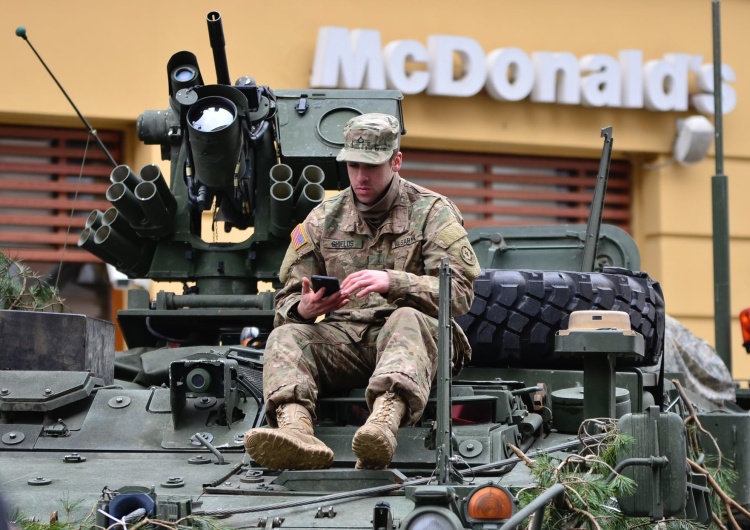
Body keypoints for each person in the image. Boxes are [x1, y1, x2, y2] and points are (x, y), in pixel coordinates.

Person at [244, 113, 480, 470]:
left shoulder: (432, 211)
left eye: (371, 166)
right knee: (286, 335)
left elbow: (461, 293)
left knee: (405, 317)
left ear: (396, 161)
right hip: (345, 340)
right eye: (353, 165)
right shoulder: (323, 219)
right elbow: (286, 301)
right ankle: (296, 432)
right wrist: (306, 308)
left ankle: (383, 424)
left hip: (418, 341)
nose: (361, 177)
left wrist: (395, 282)